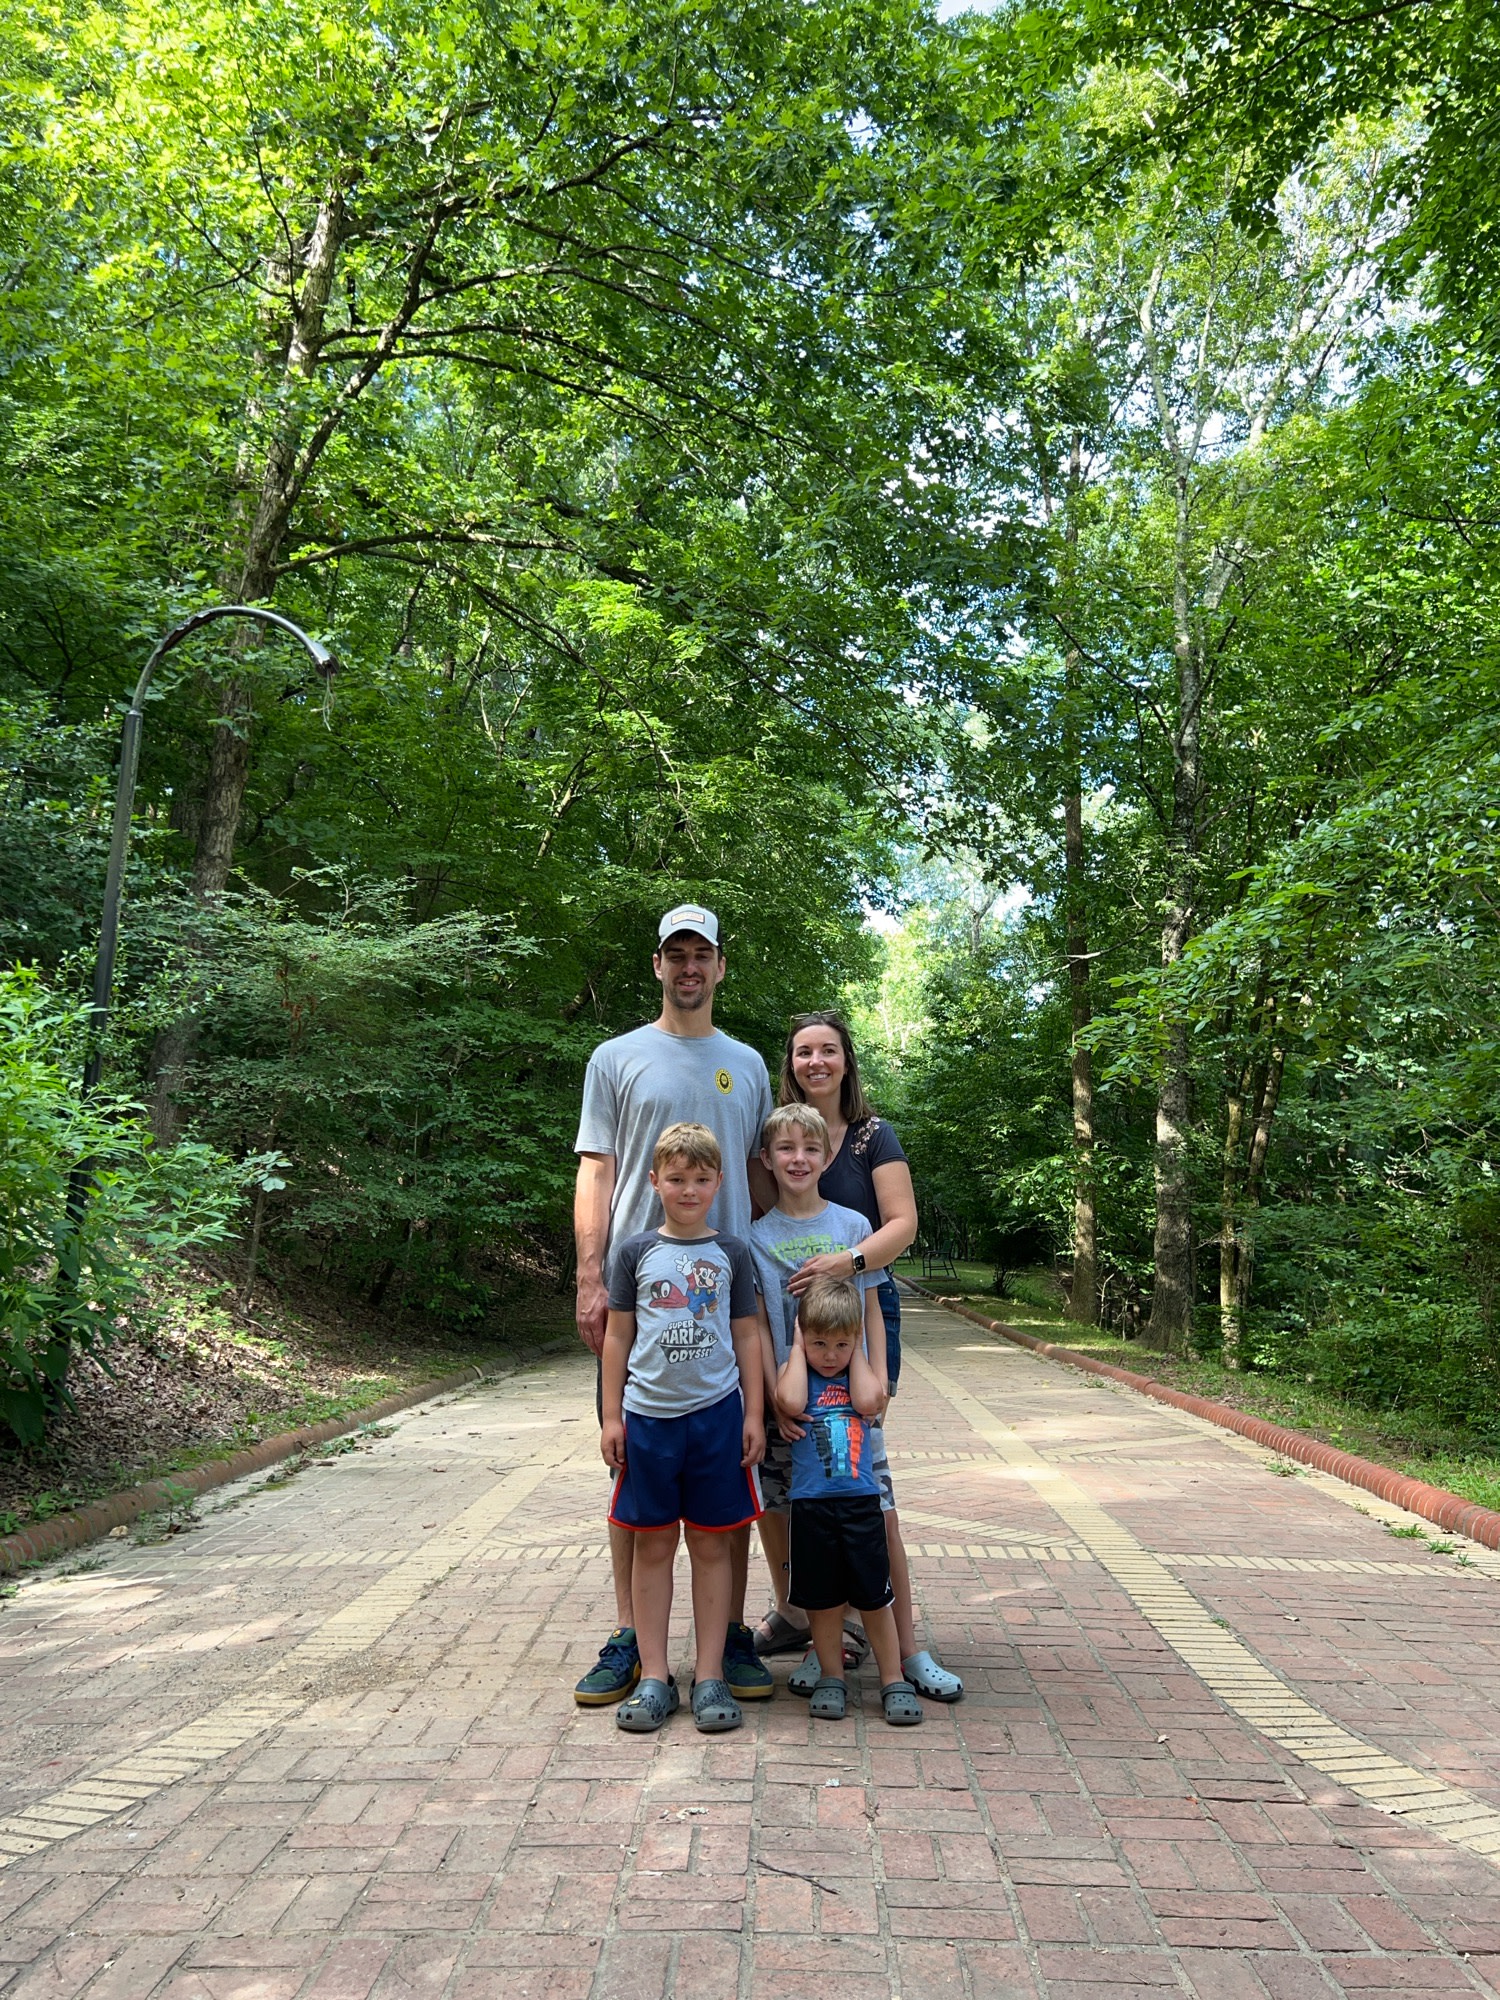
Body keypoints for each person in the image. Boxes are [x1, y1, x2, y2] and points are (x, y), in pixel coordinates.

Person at [572, 903, 775, 1708]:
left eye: (702, 954)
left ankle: (730, 1636)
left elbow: (761, 1178)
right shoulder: (615, 1058)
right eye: (676, 954)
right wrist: (591, 1276)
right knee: (632, 1468)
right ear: (657, 965)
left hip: (726, 1303)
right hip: (641, 1300)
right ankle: (632, 1637)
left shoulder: (748, 1065)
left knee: (733, 1475)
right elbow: (596, 1169)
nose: (690, 967)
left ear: (721, 966)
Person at [770, 1010, 963, 1702]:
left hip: (862, 1329)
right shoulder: (781, 1134)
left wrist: (847, 1262)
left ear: (847, 1060)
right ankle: (816, 1631)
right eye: (804, 1051)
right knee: (796, 1493)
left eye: (829, 1050)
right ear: (790, 1063)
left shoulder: (871, 1136)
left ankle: (905, 1649)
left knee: (870, 1495)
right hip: (796, 1352)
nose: (816, 1061)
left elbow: (902, 1223)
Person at [602, 1122, 765, 1733]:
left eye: (700, 1178)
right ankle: (653, 1676)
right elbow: (617, 1336)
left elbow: (746, 1334)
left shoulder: (732, 1252)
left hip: (717, 1417)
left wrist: (754, 1412)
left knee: (712, 1543)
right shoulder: (634, 1252)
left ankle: (710, 1675)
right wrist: (612, 1416)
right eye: (676, 1178)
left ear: (719, 1182)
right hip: (648, 1420)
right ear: (654, 1181)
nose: (689, 1189)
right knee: (652, 1544)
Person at [749, 1103, 895, 1673]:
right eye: (785, 1148)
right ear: (767, 1158)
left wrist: (878, 1376)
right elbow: (761, 1325)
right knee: (788, 1509)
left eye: (810, 1148)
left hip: (850, 1405)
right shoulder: (756, 1237)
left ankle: (852, 1626)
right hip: (791, 1403)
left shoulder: (852, 1227)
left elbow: (872, 1305)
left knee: (862, 1508)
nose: (798, 1159)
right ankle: (804, 1618)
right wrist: (770, 1396)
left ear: (827, 1156)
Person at [773, 1276, 923, 1725]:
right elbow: (789, 1399)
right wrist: (798, 1347)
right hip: (812, 1508)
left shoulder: (856, 1375)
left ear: (854, 1340)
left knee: (874, 1597)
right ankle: (831, 1676)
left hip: (860, 1507)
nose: (830, 1355)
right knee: (821, 1601)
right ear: (803, 1337)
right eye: (819, 1343)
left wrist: (855, 1347)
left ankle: (892, 1678)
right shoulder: (798, 1375)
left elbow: (869, 1399)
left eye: (841, 1345)